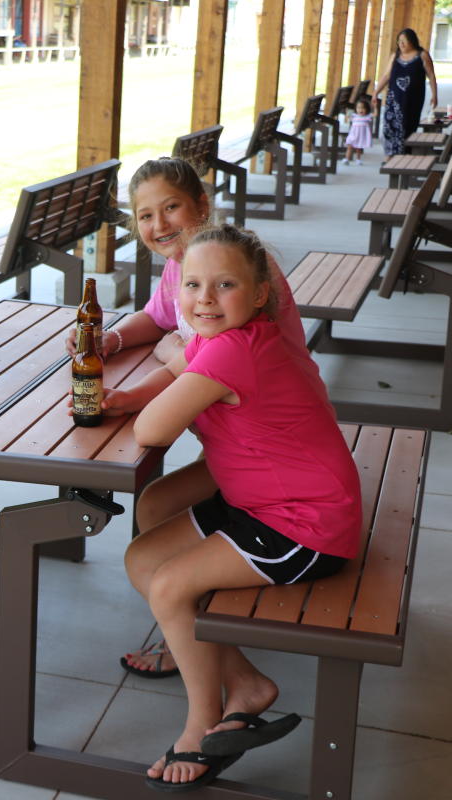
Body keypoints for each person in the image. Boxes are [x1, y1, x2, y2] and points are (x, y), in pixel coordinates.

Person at [101, 226, 362, 790]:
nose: (205, 299)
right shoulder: (234, 338)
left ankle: (202, 724)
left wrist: (167, 371)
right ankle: (246, 684)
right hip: (261, 501)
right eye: (192, 285)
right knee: (143, 558)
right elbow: (179, 370)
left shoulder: (234, 349)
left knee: (169, 586)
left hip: (306, 524)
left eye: (225, 285)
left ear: (260, 293)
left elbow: (152, 430)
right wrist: (150, 380)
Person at [74, 158, 318, 681]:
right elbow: (161, 323)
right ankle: (185, 618)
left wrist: (169, 358)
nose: (159, 224)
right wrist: (112, 339)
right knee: (155, 502)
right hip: (239, 445)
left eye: (171, 208)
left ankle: (189, 612)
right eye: (145, 215)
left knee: (157, 510)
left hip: (271, 451)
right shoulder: (184, 270)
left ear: (201, 207)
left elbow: (202, 362)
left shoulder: (236, 272)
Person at [373, 28, 439, 155]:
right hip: (394, 100)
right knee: (390, 127)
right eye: (399, 41)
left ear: (412, 41)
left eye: (404, 41)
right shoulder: (395, 56)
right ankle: (390, 155)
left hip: (413, 100)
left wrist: (434, 95)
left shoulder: (422, 55)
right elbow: (386, 76)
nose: (401, 44)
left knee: (407, 126)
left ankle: (403, 154)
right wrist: (376, 92)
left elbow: (431, 76)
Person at [343, 97, 374, 165]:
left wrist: (375, 107)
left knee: (358, 148)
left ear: (367, 109)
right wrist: (347, 112)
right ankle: (347, 159)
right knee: (349, 146)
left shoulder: (367, 117)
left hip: (360, 136)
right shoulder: (354, 116)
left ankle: (358, 159)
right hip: (353, 134)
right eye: (358, 108)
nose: (360, 110)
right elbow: (347, 118)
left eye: (363, 108)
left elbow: (375, 115)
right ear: (356, 109)